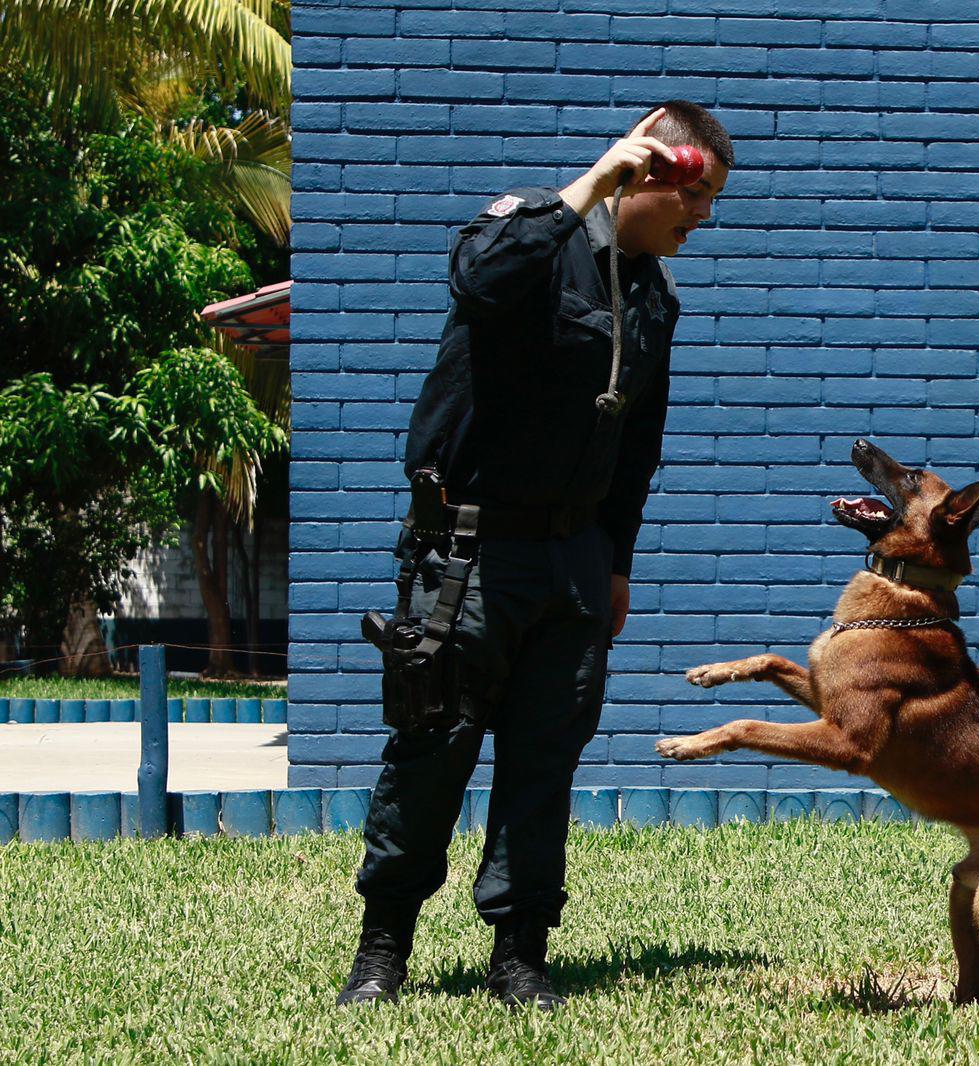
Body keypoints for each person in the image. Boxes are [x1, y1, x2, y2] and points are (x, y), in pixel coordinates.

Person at [335, 100, 733, 1011]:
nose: (701, 216)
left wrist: (618, 561)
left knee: (544, 761)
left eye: (710, 202)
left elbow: (637, 445)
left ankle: (520, 954)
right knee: (431, 749)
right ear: (648, 173)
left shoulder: (651, 298)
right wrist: (593, 181)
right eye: (696, 194)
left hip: (573, 565)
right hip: (470, 558)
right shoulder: (532, 230)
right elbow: (475, 279)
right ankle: (383, 948)